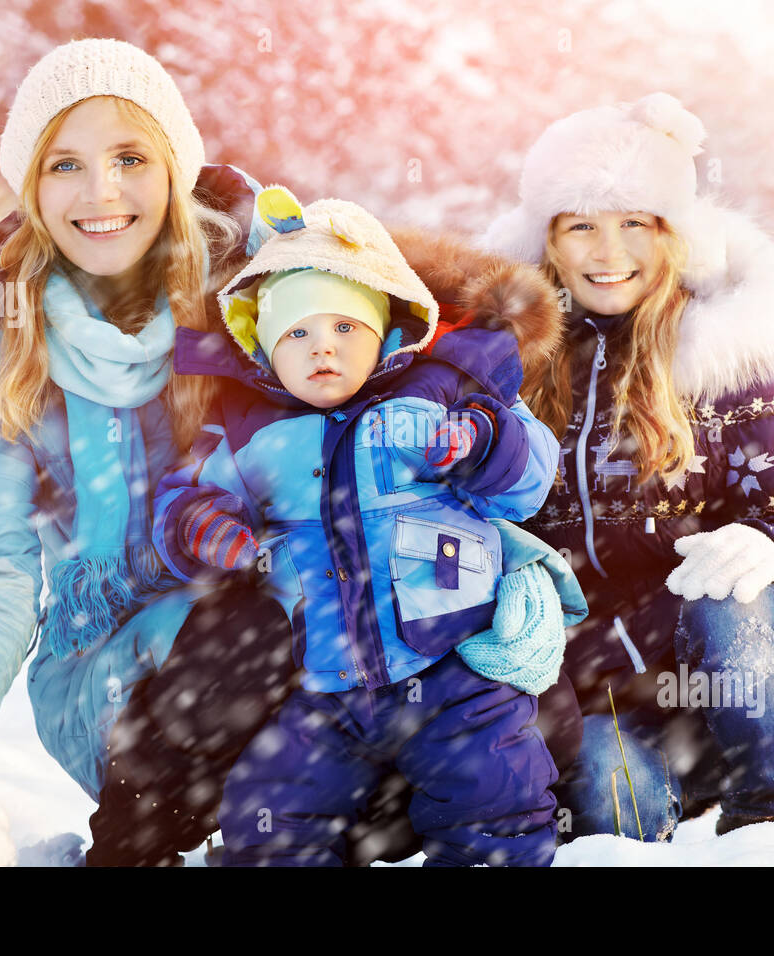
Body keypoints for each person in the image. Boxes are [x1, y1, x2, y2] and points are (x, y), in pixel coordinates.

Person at [0, 39, 285, 865]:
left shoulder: (250, 314)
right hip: (114, 688)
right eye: (65, 165)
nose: (102, 192)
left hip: (286, 641)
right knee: (245, 634)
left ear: (173, 172)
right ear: (32, 188)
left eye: (130, 157)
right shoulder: (1, 358)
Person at [482, 93, 774, 840]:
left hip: (725, 693)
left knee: (734, 594)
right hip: (592, 700)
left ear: (673, 236)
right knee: (605, 803)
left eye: (635, 223)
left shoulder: (720, 371)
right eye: (582, 227)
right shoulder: (509, 382)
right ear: (547, 244)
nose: (609, 253)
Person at [151, 191, 574, 866]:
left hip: (453, 667)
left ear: (386, 330)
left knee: (496, 793)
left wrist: (482, 442)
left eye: (346, 327)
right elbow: (183, 499)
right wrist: (207, 529)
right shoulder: (253, 431)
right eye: (297, 333)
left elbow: (531, 480)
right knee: (270, 808)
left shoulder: (442, 393)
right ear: (263, 349)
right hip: (326, 683)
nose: (323, 348)